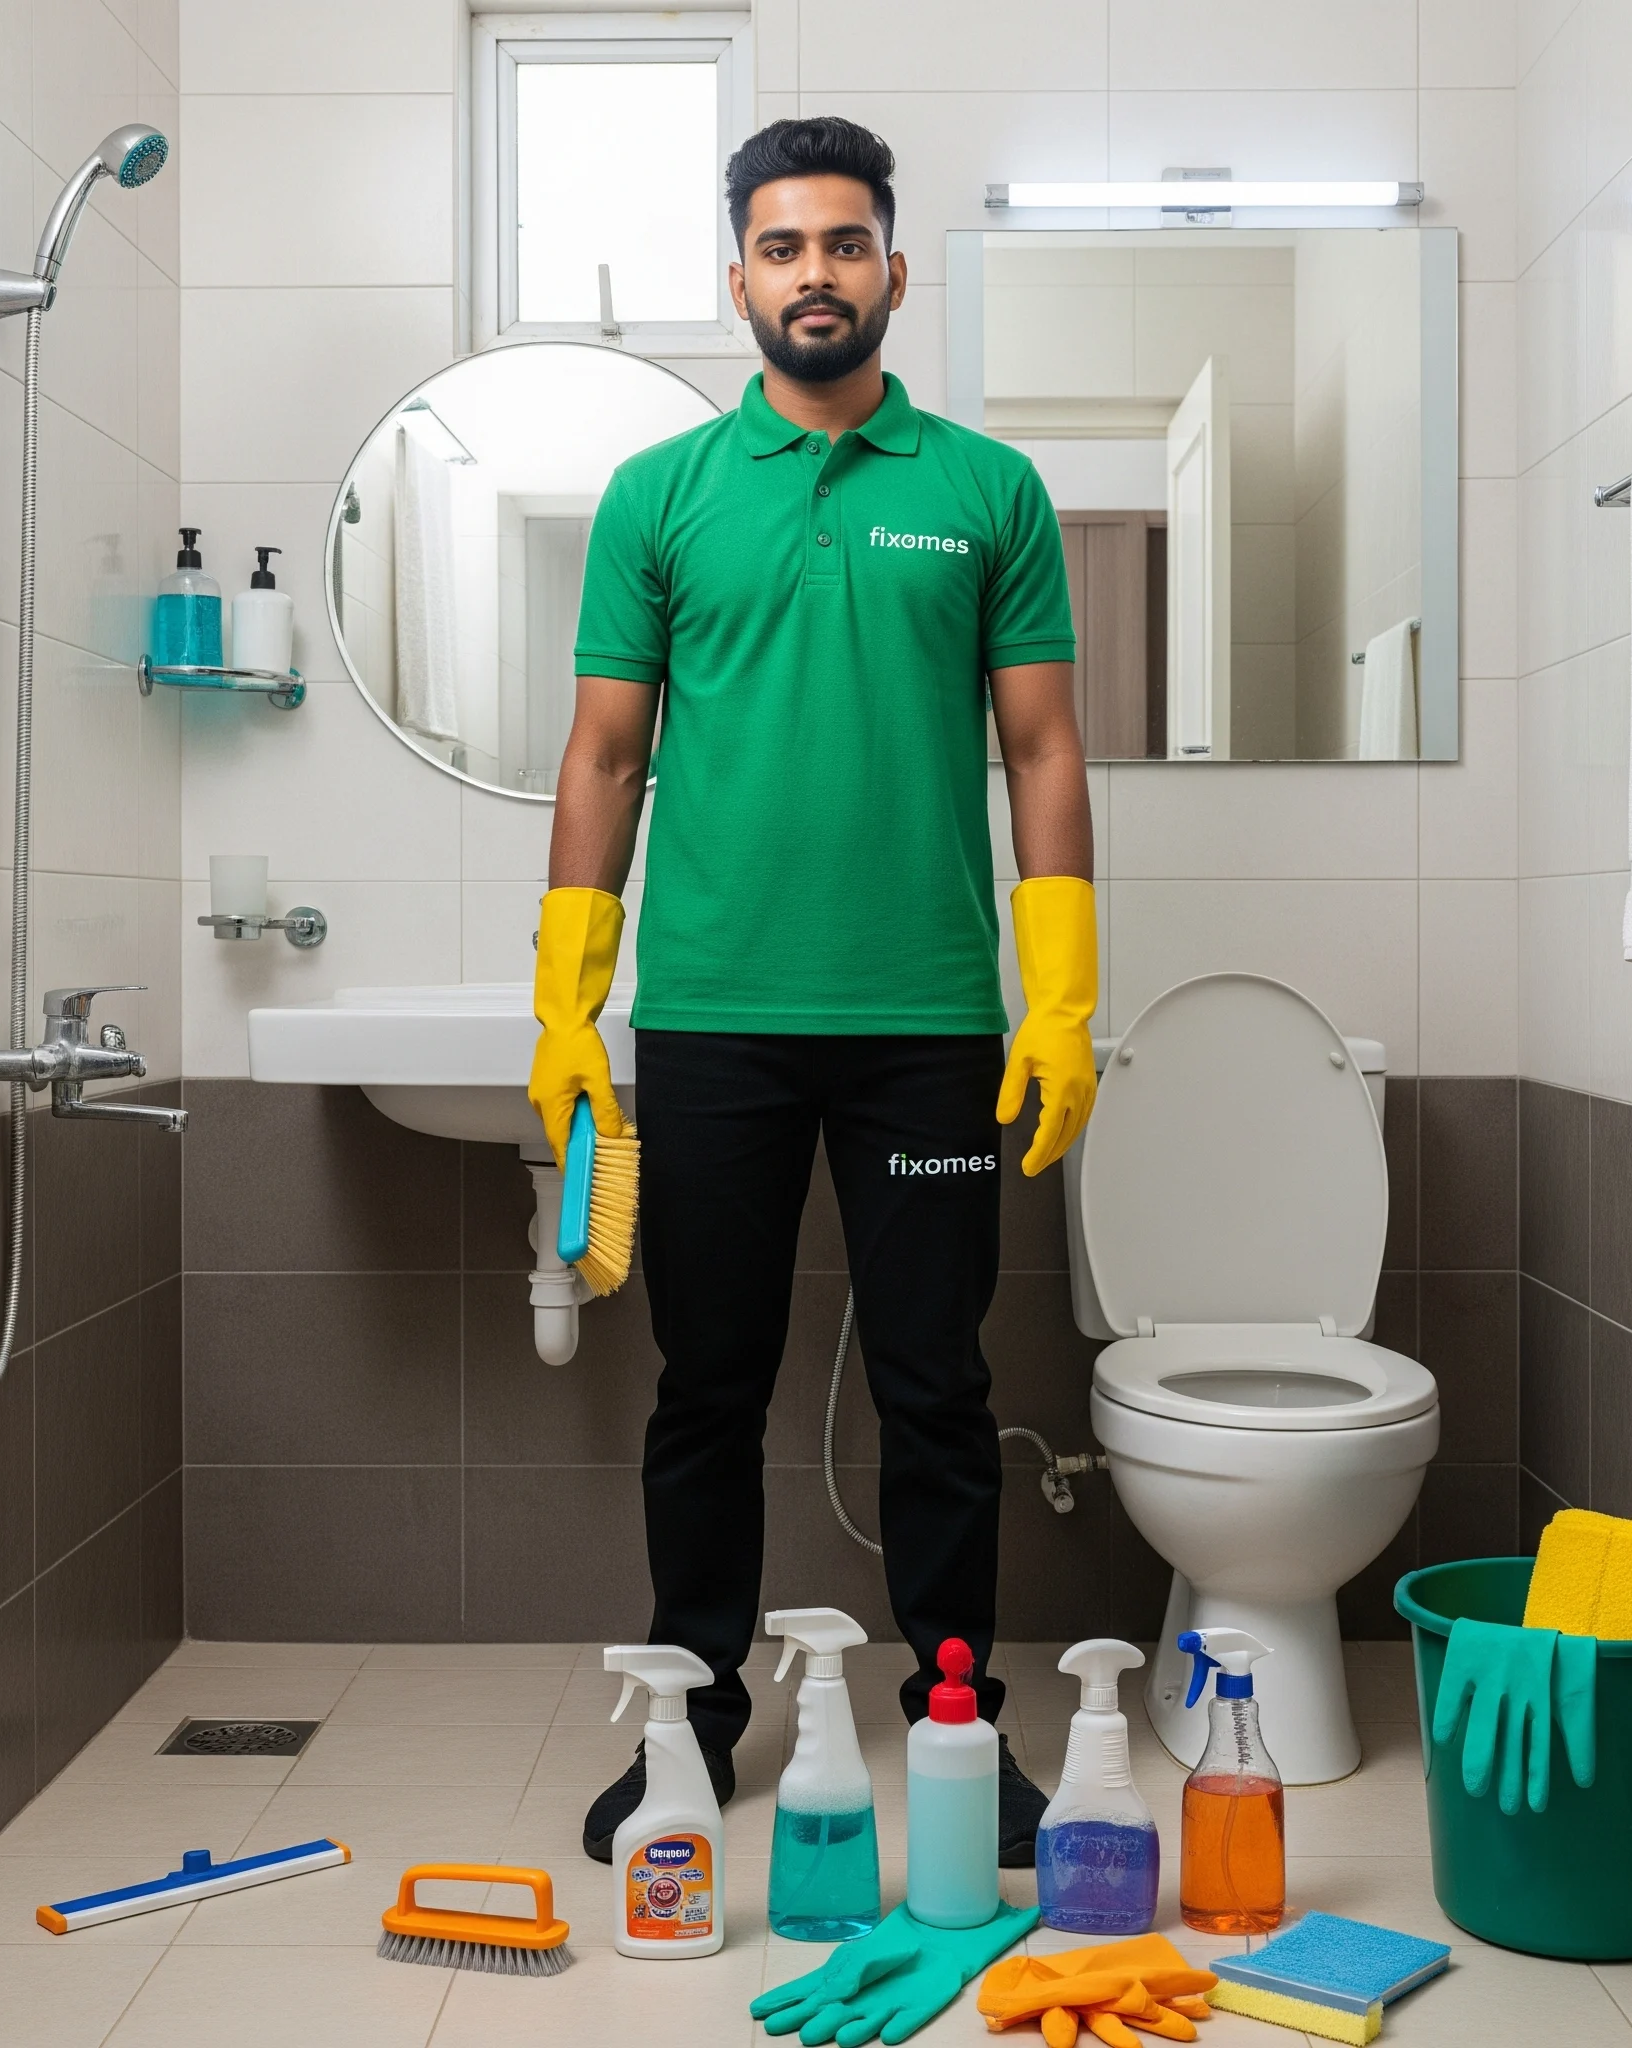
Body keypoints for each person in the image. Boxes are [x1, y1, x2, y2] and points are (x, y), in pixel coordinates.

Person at [528, 115, 1099, 1868]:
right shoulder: (661, 495)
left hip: (930, 1028)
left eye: (845, 243)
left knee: (939, 1388)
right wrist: (569, 1002)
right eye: (783, 247)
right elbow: (604, 754)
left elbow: (1043, 746)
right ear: (740, 282)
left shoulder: (987, 492)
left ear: (894, 270)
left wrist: (1061, 993)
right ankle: (693, 1720)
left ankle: (957, 1720)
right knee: (707, 1383)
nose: (816, 274)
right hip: (713, 1021)